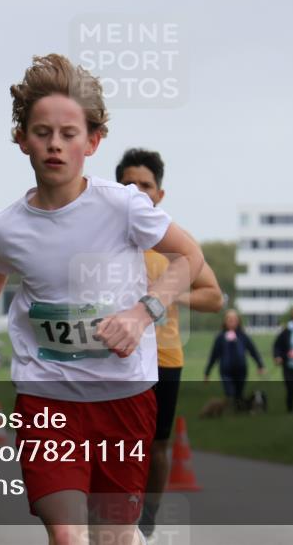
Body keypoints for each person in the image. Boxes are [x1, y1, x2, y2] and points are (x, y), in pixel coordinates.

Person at [0, 53, 205, 545]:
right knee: (67, 536)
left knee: (115, 539)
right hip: (47, 399)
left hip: (123, 399)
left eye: (69, 134)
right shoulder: (8, 226)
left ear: (93, 141)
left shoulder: (123, 206)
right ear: (22, 139)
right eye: (42, 133)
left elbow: (187, 257)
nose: (55, 145)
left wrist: (142, 313)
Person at [115, 147, 224, 539]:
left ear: (160, 194)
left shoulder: (175, 244)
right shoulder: (103, 238)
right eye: (128, 184)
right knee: (119, 444)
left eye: (145, 185)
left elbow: (215, 296)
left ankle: (147, 520)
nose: (137, 191)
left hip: (163, 356)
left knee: (157, 444)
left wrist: (171, 294)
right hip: (114, 356)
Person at [204, 310, 265, 406]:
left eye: (234, 319)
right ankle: (230, 410)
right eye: (230, 319)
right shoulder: (220, 337)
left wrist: (260, 365)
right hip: (226, 371)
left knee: (239, 393)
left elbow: (253, 350)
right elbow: (214, 355)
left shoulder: (243, 336)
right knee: (230, 392)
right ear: (225, 321)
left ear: (238, 321)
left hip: (241, 370)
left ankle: (238, 411)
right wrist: (207, 372)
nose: (232, 322)